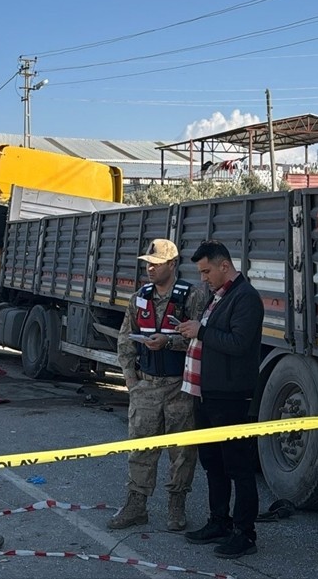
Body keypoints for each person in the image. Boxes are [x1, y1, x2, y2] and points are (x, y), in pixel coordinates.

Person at [109, 239, 208, 532]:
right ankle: (136, 505)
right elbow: (126, 339)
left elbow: (201, 338)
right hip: (147, 386)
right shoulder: (140, 297)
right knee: (141, 448)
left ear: (173, 264)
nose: (150, 269)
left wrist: (171, 341)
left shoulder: (192, 296)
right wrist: (130, 380)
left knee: (182, 451)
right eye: (148, 264)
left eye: (157, 264)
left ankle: (176, 505)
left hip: (180, 387)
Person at [176, 240, 264, 559]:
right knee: (212, 462)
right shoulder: (217, 297)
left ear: (224, 266)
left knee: (238, 466)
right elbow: (210, 337)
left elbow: (239, 343)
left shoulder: (246, 298)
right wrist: (192, 331)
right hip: (207, 394)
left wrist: (200, 331)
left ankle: (245, 533)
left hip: (231, 397)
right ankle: (219, 521)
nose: (203, 278)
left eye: (206, 271)